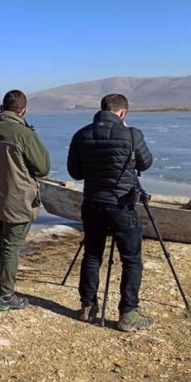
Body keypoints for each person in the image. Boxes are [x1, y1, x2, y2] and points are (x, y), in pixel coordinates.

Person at [67, 93, 154, 331]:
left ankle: (87, 307)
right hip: (121, 205)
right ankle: (128, 314)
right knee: (132, 260)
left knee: (92, 255)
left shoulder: (81, 134)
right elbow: (146, 163)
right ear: (123, 113)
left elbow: (75, 172)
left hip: (92, 203)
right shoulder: (132, 134)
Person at [0, 90, 50, 311]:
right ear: (23, 111)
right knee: (10, 249)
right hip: (18, 201)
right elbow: (43, 167)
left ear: (1, 108)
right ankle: (6, 297)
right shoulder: (23, 134)